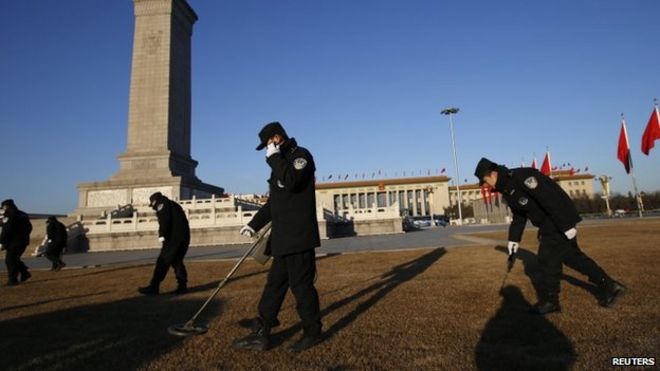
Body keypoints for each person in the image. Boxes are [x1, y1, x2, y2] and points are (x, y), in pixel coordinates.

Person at [474, 158, 625, 314]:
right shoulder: (507, 188)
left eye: (484, 181)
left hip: (557, 219)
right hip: (550, 222)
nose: (485, 185)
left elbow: (549, 198)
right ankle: (610, 286)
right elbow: (519, 215)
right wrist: (514, 240)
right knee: (572, 257)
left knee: (547, 258)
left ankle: (551, 301)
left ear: (492, 174)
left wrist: (565, 225)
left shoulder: (521, 177)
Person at [232, 121, 323, 353]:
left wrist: (274, 158)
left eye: (267, 144)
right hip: (282, 239)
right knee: (274, 285)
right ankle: (262, 330)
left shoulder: (300, 156)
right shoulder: (279, 163)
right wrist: (253, 225)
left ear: (276, 138)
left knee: (301, 288)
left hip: (299, 237)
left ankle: (312, 333)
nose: (266, 150)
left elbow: (292, 181)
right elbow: (275, 202)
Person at [138, 192, 190, 296]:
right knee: (176, 261)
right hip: (184, 237)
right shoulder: (173, 204)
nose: (153, 208)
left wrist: (162, 234)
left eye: (152, 205)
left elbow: (165, 219)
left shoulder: (162, 204)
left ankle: (154, 286)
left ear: (154, 202)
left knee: (162, 261)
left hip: (173, 238)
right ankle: (182, 285)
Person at [0, 199, 33, 286]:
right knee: (15, 259)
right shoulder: (22, 214)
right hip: (23, 241)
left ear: (6, 206)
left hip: (13, 242)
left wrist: (2, 241)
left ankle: (13, 280)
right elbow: (30, 227)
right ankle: (24, 273)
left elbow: (7, 229)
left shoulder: (9, 214)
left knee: (10, 261)